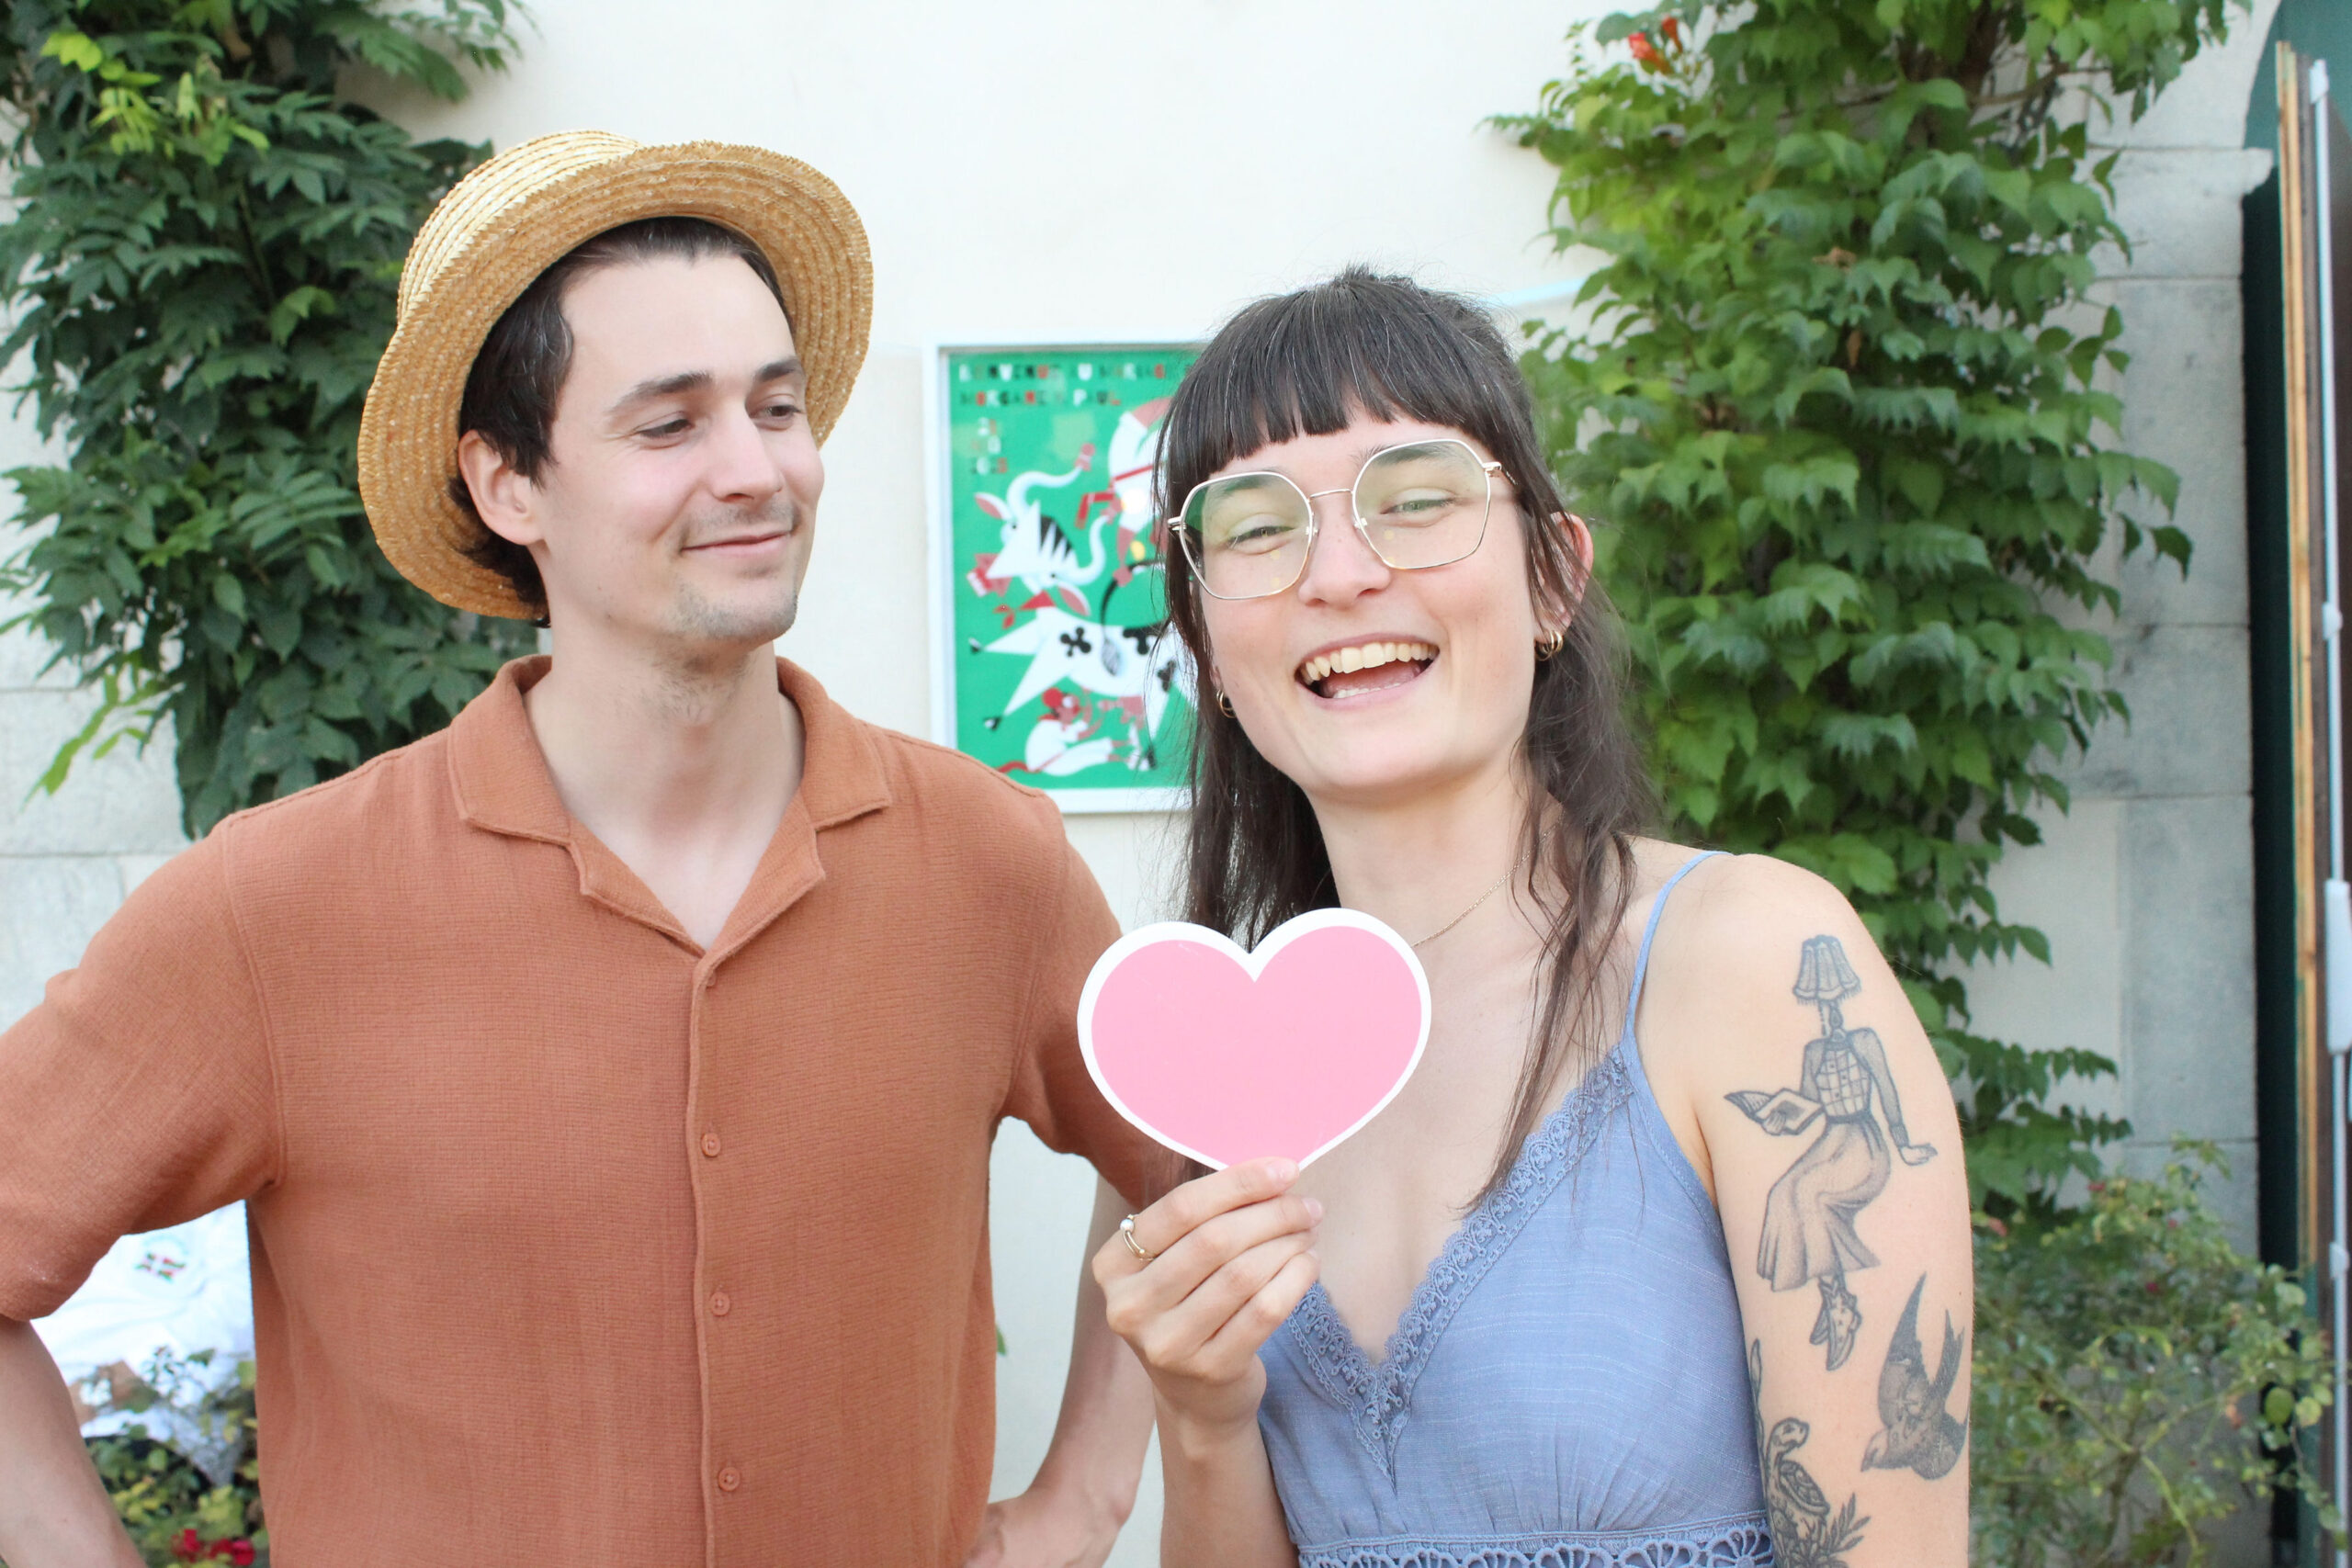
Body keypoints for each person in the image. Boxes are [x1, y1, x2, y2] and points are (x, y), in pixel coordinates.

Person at [0, 131, 1163, 1567]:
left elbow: (1188, 1152)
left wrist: (1084, 1499)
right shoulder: (274, 908)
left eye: (778, 406)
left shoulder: (989, 860)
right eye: (669, 425)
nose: (758, 469)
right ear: (509, 486)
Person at [1091, 269, 1972, 1568]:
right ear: (1209, 646)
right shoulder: (1220, 1076)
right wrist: (1201, 1413)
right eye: (1259, 527)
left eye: (1417, 500)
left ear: (1554, 576)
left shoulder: (1753, 961)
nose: (1341, 574)